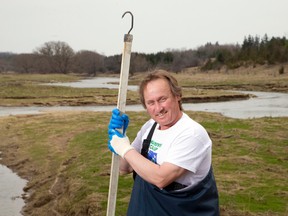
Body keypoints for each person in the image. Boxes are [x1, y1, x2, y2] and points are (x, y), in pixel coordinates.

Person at [108, 70, 219, 215]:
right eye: (151, 102)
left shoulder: (192, 134)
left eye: (162, 99)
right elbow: (124, 168)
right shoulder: (150, 126)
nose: (158, 108)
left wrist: (125, 148)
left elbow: (161, 179)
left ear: (177, 96)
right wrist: (119, 138)